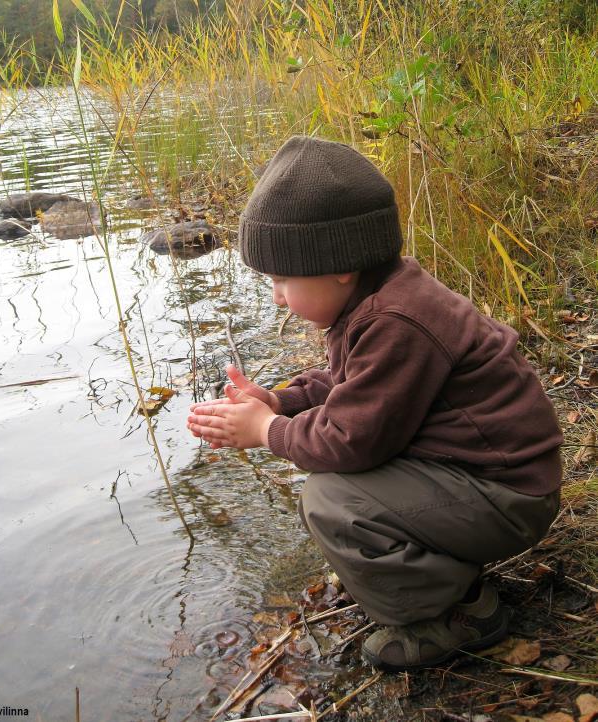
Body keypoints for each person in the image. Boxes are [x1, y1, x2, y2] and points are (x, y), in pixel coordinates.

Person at [186, 135, 563, 671]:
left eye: (281, 279)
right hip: (482, 477)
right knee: (338, 487)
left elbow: (350, 439)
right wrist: (280, 400)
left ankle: (460, 611)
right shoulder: (381, 296)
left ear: (338, 265)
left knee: (332, 501)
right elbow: (350, 387)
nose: (276, 296)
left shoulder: (395, 321)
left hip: (507, 495)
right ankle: (438, 570)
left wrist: (267, 429)